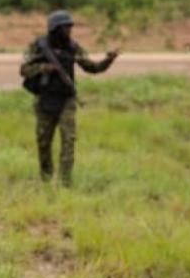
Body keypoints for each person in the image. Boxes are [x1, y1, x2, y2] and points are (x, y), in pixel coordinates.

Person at [19, 10, 119, 186]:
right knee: (43, 142)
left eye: (70, 27)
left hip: (66, 100)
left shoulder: (72, 47)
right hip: (44, 100)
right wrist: (44, 67)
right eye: (65, 27)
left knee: (68, 140)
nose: (69, 30)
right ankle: (46, 177)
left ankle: (65, 182)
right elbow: (24, 70)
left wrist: (108, 60)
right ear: (54, 28)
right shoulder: (38, 46)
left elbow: (92, 68)